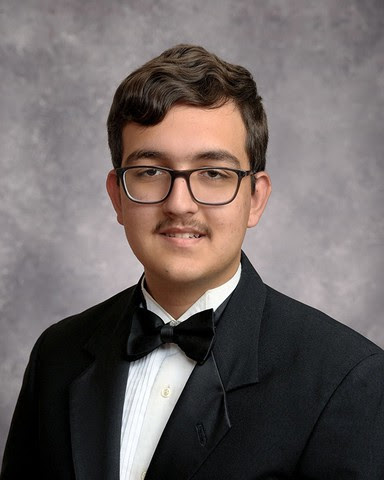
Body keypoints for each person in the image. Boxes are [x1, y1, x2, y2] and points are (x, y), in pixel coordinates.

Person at [1, 44, 383, 480]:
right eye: (149, 171)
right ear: (117, 197)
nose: (179, 204)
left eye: (213, 173)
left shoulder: (349, 380)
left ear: (254, 199)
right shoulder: (57, 354)